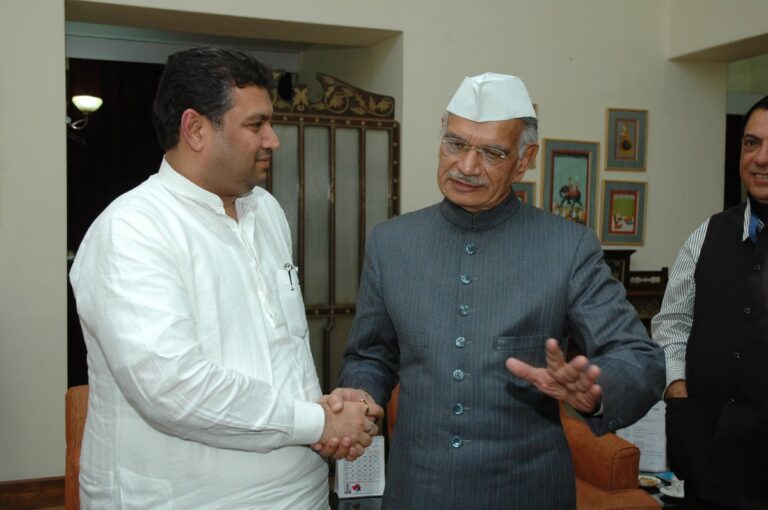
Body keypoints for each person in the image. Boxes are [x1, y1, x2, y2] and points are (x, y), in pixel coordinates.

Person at [69, 46, 382, 510]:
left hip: (302, 492)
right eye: (256, 125)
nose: (273, 140)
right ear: (195, 128)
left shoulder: (266, 211)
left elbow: (282, 352)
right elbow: (174, 388)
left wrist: (329, 409)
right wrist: (316, 423)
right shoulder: (132, 229)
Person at [336, 72, 665, 509]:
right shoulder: (391, 243)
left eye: (492, 152)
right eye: (455, 144)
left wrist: (597, 390)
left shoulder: (567, 248)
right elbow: (371, 354)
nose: (467, 167)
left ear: (525, 158)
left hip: (526, 492)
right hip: (418, 489)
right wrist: (360, 397)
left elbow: (638, 357)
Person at [652, 95, 768, 510]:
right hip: (706, 458)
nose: (761, 159)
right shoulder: (707, 234)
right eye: (751, 143)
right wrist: (677, 389)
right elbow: (672, 324)